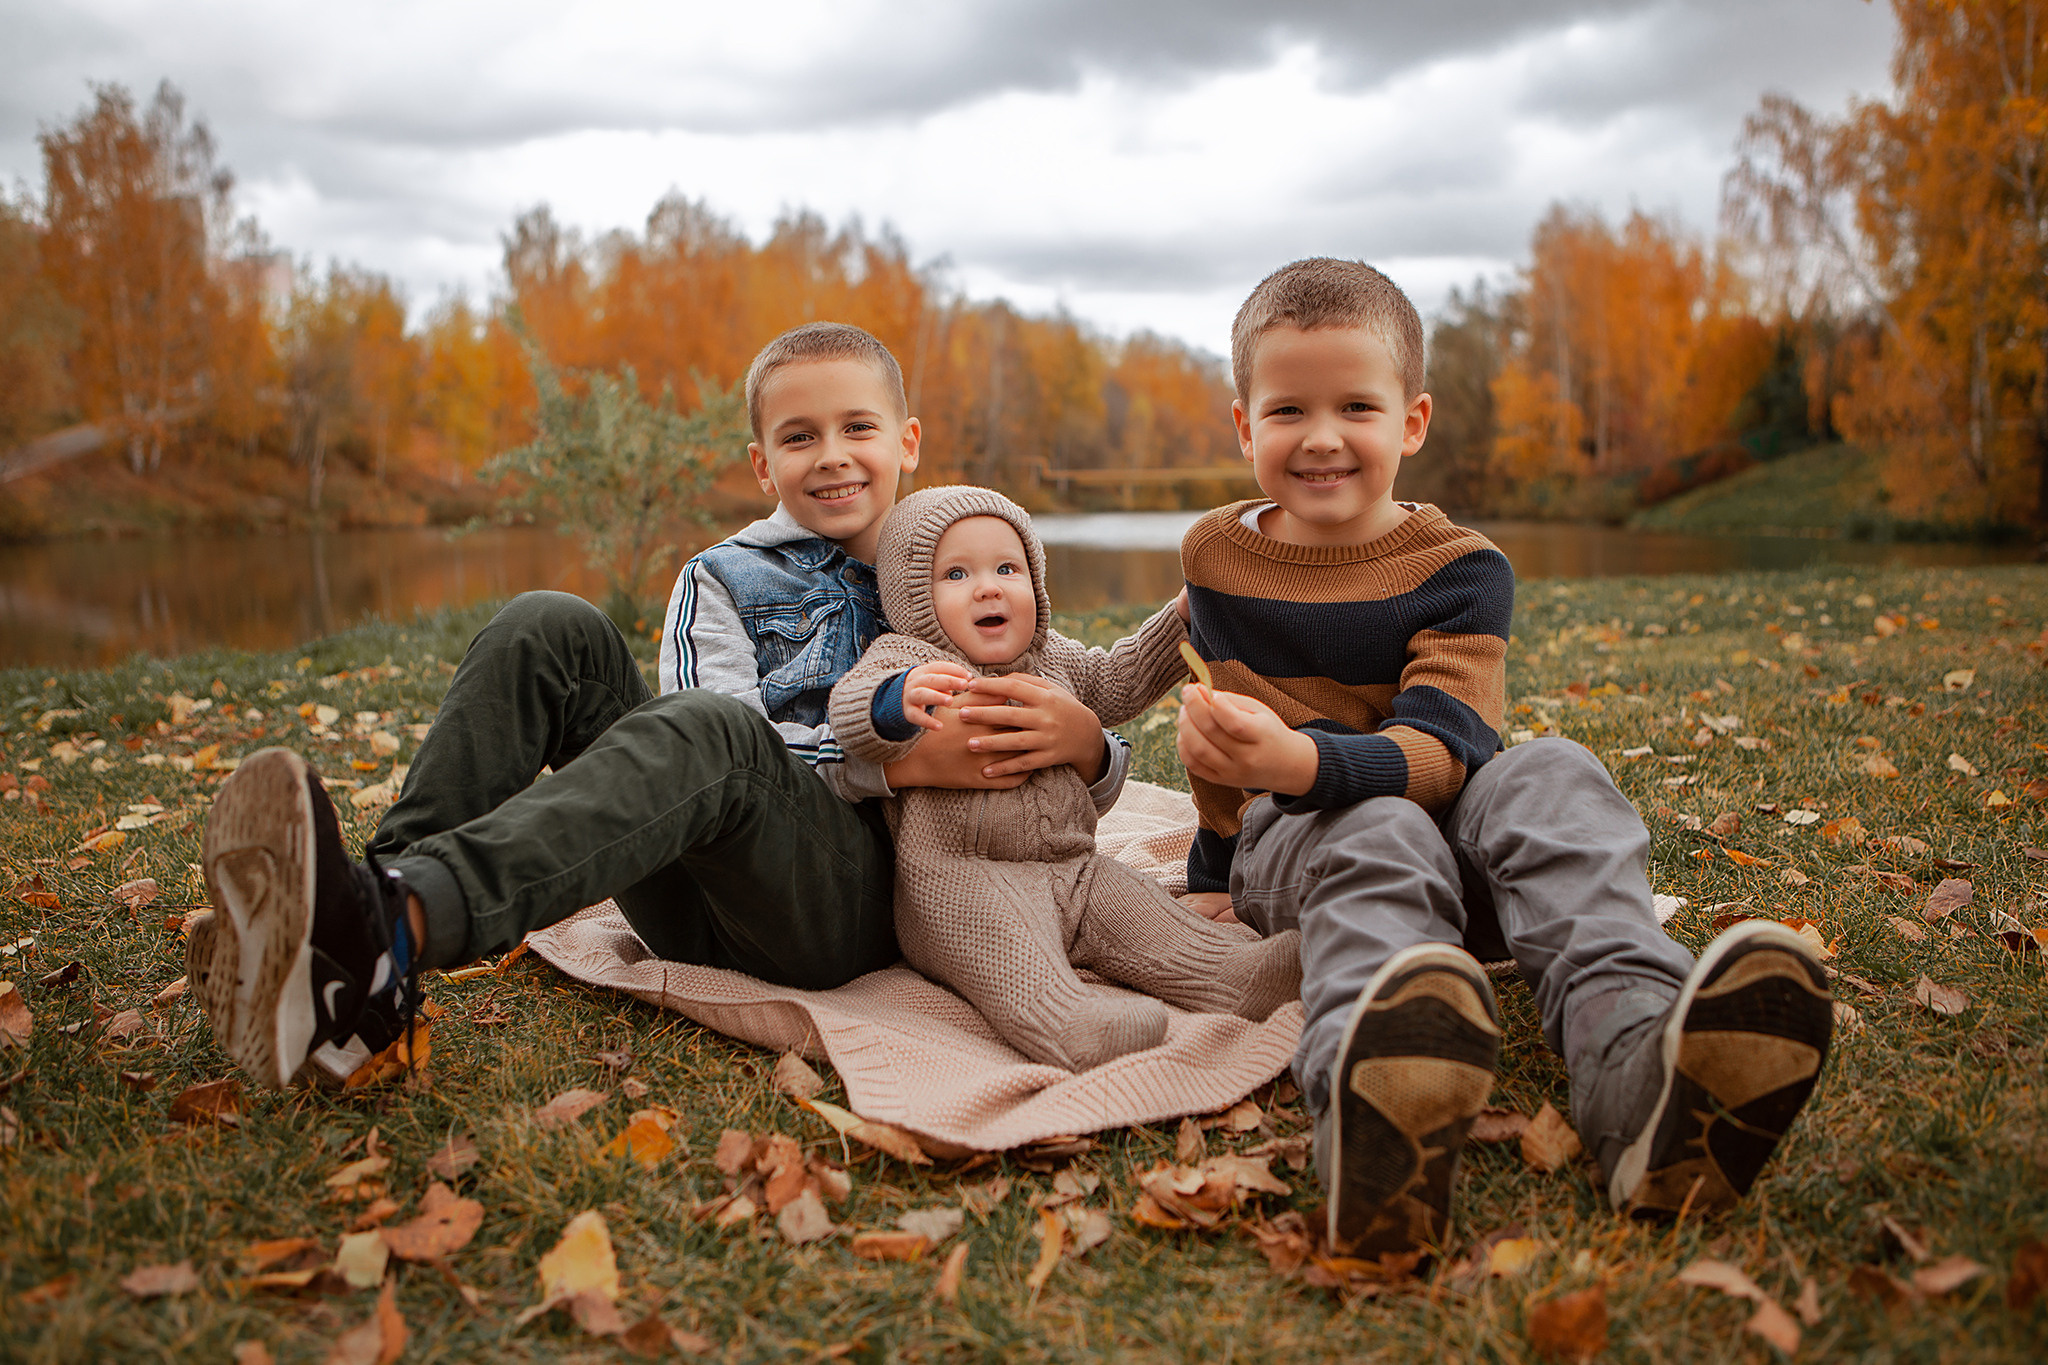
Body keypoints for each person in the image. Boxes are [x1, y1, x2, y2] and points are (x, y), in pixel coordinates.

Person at [186, 322, 1132, 1091]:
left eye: (859, 428)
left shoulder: (961, 570)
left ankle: (379, 934)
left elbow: (1077, 723)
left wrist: (1091, 746)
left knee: (715, 736)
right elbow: (721, 759)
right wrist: (887, 757)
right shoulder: (722, 576)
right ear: (763, 464)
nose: (833, 457)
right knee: (547, 623)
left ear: (907, 442)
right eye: (800, 437)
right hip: (716, 886)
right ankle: (374, 943)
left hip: (867, 905)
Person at [1172, 258, 1833, 1255]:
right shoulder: (1214, 557)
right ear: (1242, 426)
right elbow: (1212, 717)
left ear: (1412, 421)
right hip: (1311, 848)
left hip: (1437, 826)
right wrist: (1212, 866)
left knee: (1552, 769)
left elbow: (1446, 748)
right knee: (1376, 825)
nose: (1319, 437)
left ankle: (1638, 1073)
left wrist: (1303, 759)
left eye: (1355, 405)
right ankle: (1368, 1104)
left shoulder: (1460, 571)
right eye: (1285, 411)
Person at [827, 485, 1301, 1071]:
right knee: (1010, 952)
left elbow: (1119, 675)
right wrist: (892, 702)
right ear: (912, 596)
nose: (989, 586)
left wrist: (1186, 614)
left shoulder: (1050, 657)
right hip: (964, 881)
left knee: (1139, 910)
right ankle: (1066, 1019)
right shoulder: (908, 659)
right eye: (955, 574)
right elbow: (849, 711)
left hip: (1073, 869)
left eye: (1008, 567)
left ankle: (1239, 975)